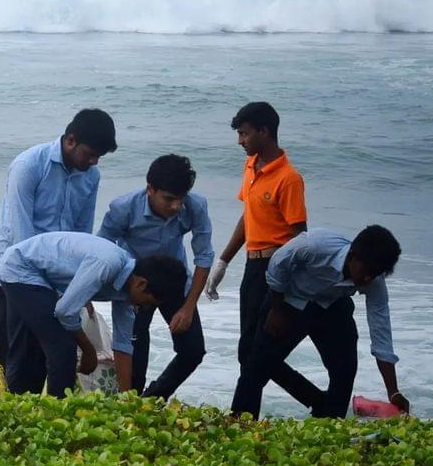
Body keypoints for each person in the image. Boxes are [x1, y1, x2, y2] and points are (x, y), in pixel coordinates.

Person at [0, 109, 118, 368]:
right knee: (6, 359)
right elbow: (20, 236)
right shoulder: (29, 165)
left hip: (54, 281)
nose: (94, 162)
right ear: (70, 140)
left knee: (42, 359)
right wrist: (48, 284)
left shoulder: (91, 176)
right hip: (12, 277)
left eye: (98, 157)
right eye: (89, 154)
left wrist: (78, 284)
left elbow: (81, 235)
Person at [205, 102, 316, 408]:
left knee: (259, 351)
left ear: (264, 132)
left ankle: (244, 416)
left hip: (277, 266)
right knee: (248, 352)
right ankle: (316, 400)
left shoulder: (289, 178)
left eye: (244, 133)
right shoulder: (251, 166)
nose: (240, 141)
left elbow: (300, 238)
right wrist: (224, 260)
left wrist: (285, 291)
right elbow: (248, 215)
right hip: (252, 266)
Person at [231, 226, 409, 418]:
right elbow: (277, 264)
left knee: (345, 368)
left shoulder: (374, 280)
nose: (368, 279)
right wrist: (276, 309)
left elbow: (381, 332)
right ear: (352, 256)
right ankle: (241, 420)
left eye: (374, 274)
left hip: (331, 305)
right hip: (289, 299)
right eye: (366, 271)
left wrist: (393, 391)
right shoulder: (314, 245)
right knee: (257, 365)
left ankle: (330, 420)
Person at [0, 231, 186, 396]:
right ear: (141, 284)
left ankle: (24, 408)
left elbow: (122, 345)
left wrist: (128, 400)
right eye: (148, 302)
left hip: (43, 277)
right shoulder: (107, 264)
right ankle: (55, 417)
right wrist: (88, 350)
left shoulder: (128, 288)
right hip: (21, 267)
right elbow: (65, 311)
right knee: (62, 347)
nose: (144, 307)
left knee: (34, 347)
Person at [97, 155, 213, 398]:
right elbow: (101, 250)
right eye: (169, 199)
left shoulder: (196, 206)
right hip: (137, 286)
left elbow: (203, 257)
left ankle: (154, 398)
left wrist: (189, 307)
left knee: (193, 351)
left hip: (174, 284)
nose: (176, 207)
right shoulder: (124, 208)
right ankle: (130, 406)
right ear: (150, 189)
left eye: (181, 199)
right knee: (134, 356)